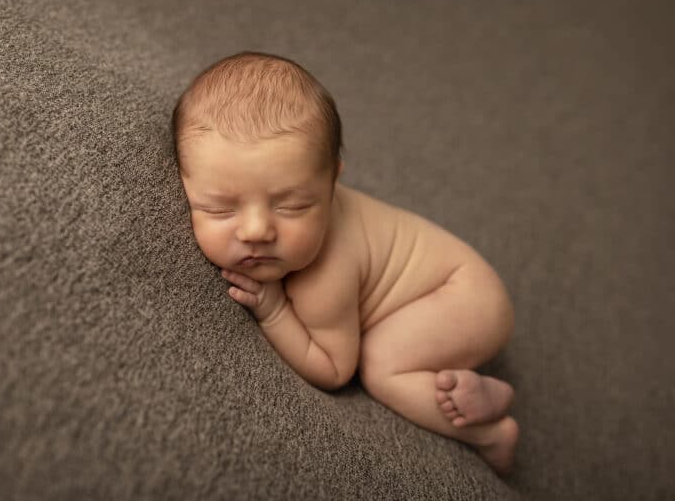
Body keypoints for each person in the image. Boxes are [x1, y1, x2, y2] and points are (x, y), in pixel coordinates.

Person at [171, 51, 519, 475]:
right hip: (456, 288)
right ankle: (479, 390)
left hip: (461, 298)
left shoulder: (324, 274)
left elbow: (335, 369)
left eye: (294, 206)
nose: (257, 230)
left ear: (332, 181)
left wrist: (275, 309)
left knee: (382, 367)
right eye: (221, 210)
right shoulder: (276, 205)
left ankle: (489, 432)